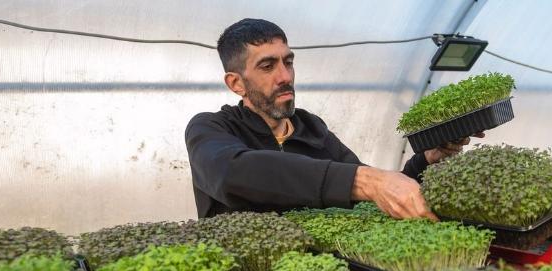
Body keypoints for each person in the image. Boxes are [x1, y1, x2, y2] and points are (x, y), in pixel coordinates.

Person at [185, 18, 476, 219]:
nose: (285, 77)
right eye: (267, 66)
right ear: (236, 83)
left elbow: (369, 193)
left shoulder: (311, 128)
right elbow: (232, 174)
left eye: (288, 62)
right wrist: (367, 181)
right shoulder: (210, 128)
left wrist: (424, 160)